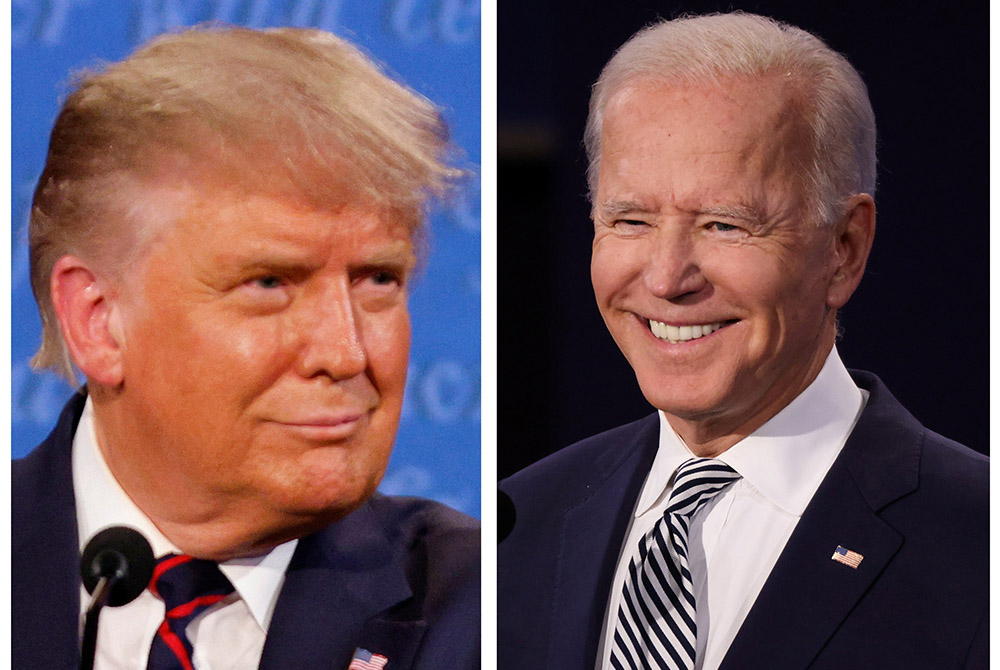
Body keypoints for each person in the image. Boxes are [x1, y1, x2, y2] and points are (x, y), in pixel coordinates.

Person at [498, 12, 987, 670]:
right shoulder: (515, 528)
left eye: (725, 225)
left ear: (843, 250)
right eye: (631, 219)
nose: (667, 277)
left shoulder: (978, 548)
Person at [13, 26, 479, 670]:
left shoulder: (493, 609)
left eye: (377, 279)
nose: (345, 355)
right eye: (269, 284)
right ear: (99, 320)